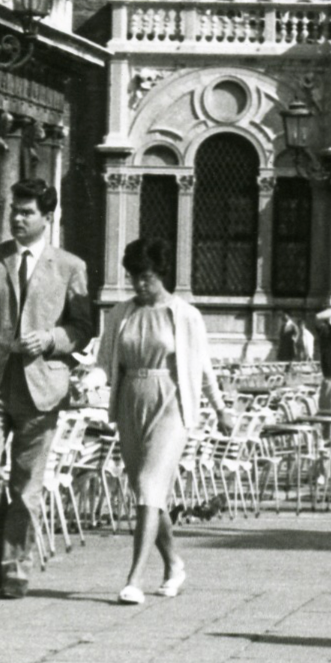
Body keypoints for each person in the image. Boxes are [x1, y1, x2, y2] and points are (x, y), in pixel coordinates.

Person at [0, 176, 94, 598]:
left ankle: (12, 567)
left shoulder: (70, 267)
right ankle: (6, 537)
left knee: (28, 485)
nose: (17, 218)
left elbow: (82, 328)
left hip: (42, 387)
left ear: (48, 217)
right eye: (14, 210)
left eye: (27, 212)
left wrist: (49, 339)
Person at [101, 238, 226, 605]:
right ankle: (174, 563)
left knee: (148, 485)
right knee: (147, 494)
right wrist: (88, 382)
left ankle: (134, 579)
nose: (139, 284)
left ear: (161, 275)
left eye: (147, 277)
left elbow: (202, 368)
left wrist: (220, 409)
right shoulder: (120, 313)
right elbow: (104, 361)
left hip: (171, 403)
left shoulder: (185, 314)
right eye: (134, 277)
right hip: (130, 400)